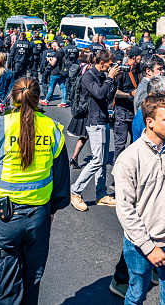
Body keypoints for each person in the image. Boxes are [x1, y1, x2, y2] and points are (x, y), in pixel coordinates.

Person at [0, 76, 70, 304]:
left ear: (12, 97)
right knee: (32, 280)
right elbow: (61, 179)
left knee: (7, 287)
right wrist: (52, 210)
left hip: (4, 219)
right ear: (39, 99)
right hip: (38, 217)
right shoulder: (53, 129)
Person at [115, 93, 165, 305]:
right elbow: (125, 210)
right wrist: (149, 248)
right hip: (139, 246)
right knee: (136, 295)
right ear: (149, 122)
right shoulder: (129, 159)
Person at [70, 49, 120, 211]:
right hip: (94, 120)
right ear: (101, 62)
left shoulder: (103, 76)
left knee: (103, 160)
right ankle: (75, 191)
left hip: (104, 119)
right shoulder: (88, 76)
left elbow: (108, 97)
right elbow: (98, 94)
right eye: (110, 65)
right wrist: (110, 78)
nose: (111, 68)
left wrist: (114, 81)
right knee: (97, 160)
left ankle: (101, 194)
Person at [66, 50, 94, 169]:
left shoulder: (79, 70)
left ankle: (75, 157)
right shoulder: (89, 73)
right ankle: (94, 159)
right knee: (89, 135)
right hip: (88, 108)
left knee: (84, 136)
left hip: (80, 106)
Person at [113, 46, 141, 163]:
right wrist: (130, 95)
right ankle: (117, 168)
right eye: (140, 56)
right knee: (120, 143)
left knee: (136, 142)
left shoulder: (139, 70)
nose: (142, 58)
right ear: (134, 57)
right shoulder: (122, 71)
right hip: (122, 112)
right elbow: (114, 92)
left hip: (135, 112)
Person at [40, 41, 67, 107]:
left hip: (55, 72)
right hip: (62, 71)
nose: (52, 49)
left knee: (51, 87)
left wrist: (49, 59)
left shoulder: (57, 53)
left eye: (53, 47)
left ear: (55, 46)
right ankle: (63, 102)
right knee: (63, 87)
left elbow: (53, 64)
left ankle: (46, 101)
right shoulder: (62, 51)